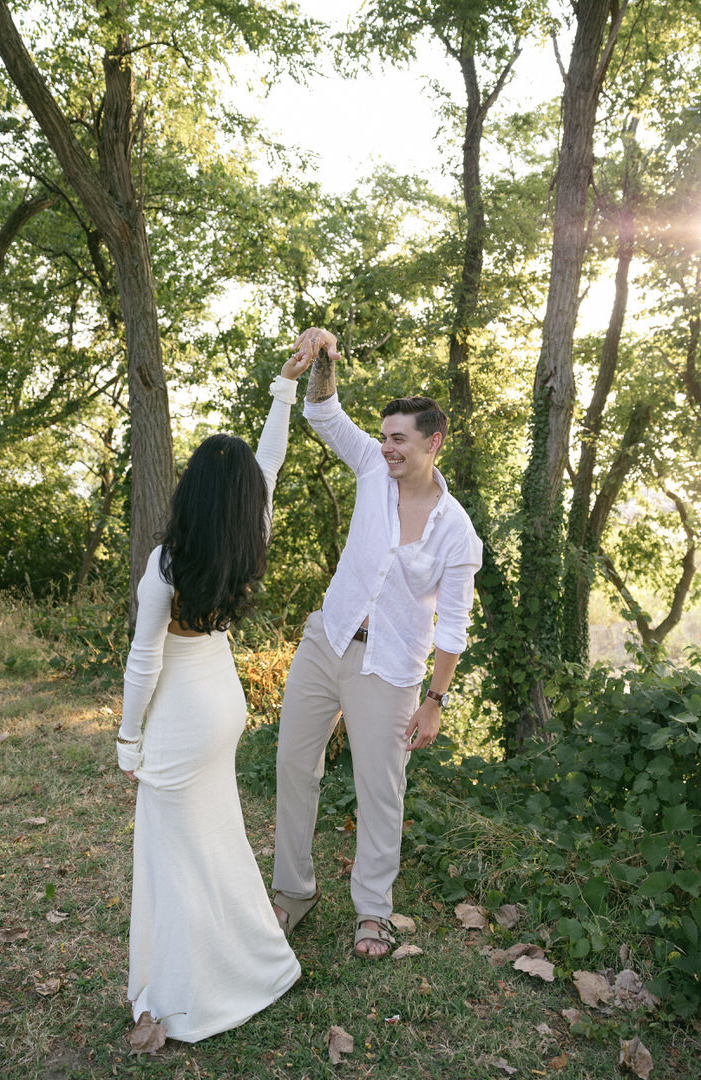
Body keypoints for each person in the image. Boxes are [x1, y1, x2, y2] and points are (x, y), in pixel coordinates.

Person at [115, 343, 314, 1041]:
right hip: (224, 703)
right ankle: (253, 966)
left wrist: (126, 738)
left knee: (172, 860)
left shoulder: (166, 561)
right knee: (218, 841)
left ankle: (181, 999)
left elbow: (144, 660)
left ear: (190, 490)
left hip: (178, 716)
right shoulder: (247, 532)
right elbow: (269, 465)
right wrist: (282, 392)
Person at [272, 327, 483, 958]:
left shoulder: (456, 531)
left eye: (399, 438)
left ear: (432, 442)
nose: (386, 447)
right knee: (292, 765)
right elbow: (322, 413)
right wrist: (323, 361)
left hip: (389, 668)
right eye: (384, 436)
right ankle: (292, 894)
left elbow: (453, 625)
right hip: (327, 640)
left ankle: (372, 912)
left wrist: (436, 702)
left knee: (379, 789)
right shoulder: (369, 467)